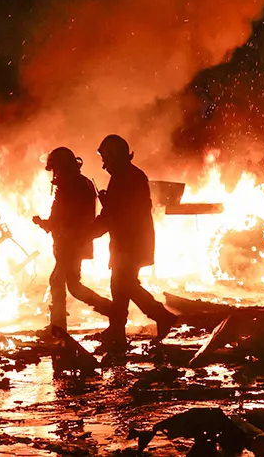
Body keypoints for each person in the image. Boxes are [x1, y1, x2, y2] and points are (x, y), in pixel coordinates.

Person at [91, 135, 177, 354]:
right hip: (130, 241)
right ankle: (116, 331)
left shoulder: (125, 177)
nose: (103, 164)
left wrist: (93, 229)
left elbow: (121, 213)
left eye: (106, 157)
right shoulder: (128, 175)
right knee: (120, 286)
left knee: (125, 284)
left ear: (115, 155)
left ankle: (162, 316)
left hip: (130, 242)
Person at [32, 147, 113, 332]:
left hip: (71, 243)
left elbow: (62, 218)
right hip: (76, 241)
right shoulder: (80, 182)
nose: (54, 173)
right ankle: (112, 311)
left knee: (57, 280)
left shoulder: (70, 186)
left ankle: (58, 327)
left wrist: (43, 223)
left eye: (56, 169)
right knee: (74, 286)